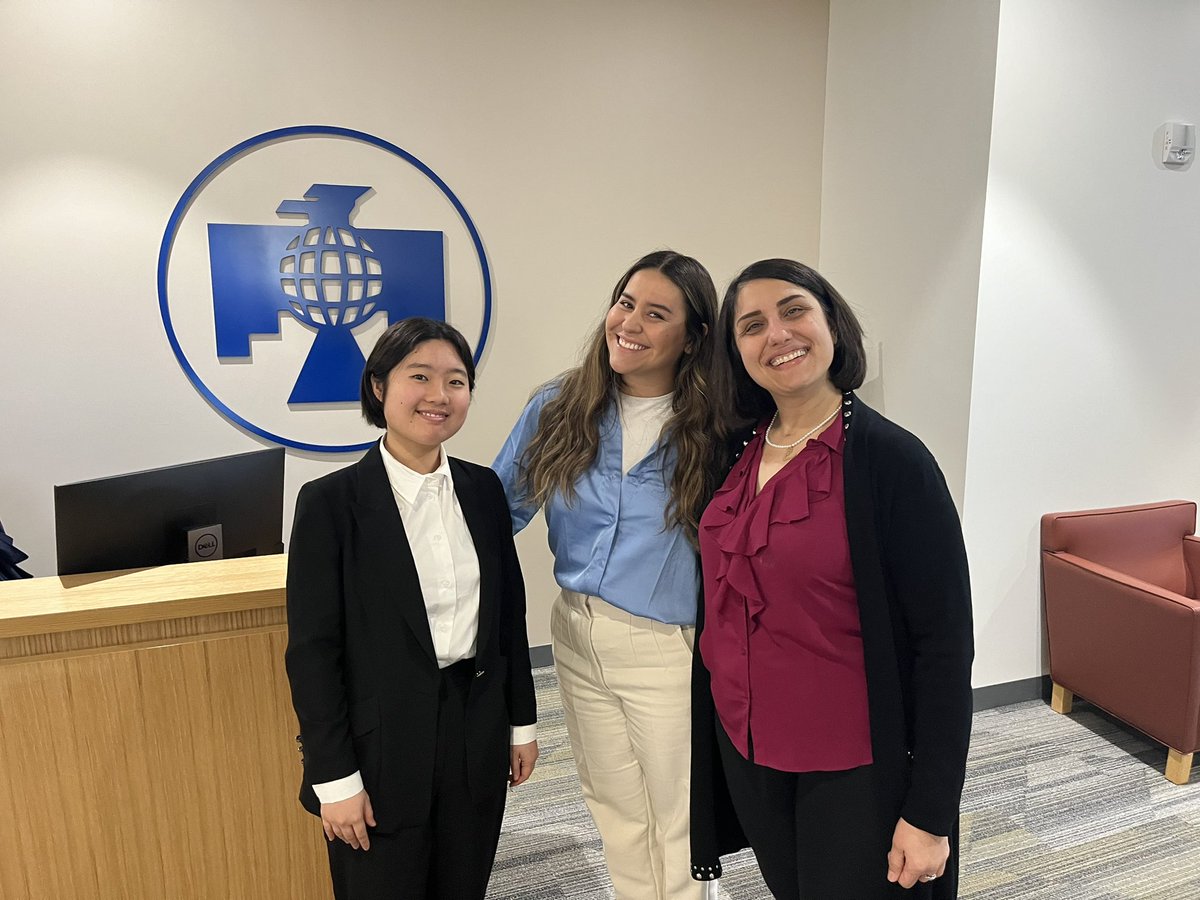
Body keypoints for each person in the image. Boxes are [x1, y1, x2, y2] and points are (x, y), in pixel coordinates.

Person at [690, 259, 974, 899]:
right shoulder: (733, 452)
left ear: (832, 325)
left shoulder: (892, 461)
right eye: (752, 325)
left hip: (853, 760)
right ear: (736, 353)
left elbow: (944, 646)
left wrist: (930, 810)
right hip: (749, 746)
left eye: (794, 311)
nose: (778, 335)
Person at [493, 250, 722, 900]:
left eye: (656, 314)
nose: (630, 323)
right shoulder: (559, 407)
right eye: (625, 303)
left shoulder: (717, 430)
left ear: (693, 336)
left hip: (666, 649)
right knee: (615, 810)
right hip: (574, 634)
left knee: (678, 817)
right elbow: (497, 513)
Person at [285, 317, 538, 900]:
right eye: (419, 376)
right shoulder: (330, 503)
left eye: (456, 381)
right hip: (378, 747)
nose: (438, 395)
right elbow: (312, 653)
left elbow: (507, 616)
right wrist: (334, 777)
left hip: (474, 727)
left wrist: (521, 722)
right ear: (379, 386)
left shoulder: (482, 490)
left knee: (463, 883)